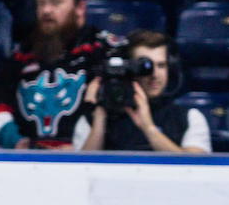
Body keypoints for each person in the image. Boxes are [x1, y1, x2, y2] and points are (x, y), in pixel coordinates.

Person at [0, 0, 119, 149]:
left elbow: (116, 108)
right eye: (41, 3)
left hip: (86, 157)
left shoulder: (102, 50)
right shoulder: (22, 53)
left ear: (80, 7)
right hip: (27, 157)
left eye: (56, 2)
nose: (46, 10)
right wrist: (17, 143)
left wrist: (81, 148)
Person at [76, 29, 210, 153]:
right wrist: (99, 120)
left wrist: (148, 128)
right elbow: (81, 168)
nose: (154, 74)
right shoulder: (91, 119)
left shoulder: (190, 118)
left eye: (161, 65)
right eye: (145, 66)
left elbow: (195, 167)